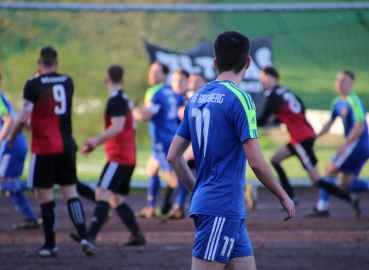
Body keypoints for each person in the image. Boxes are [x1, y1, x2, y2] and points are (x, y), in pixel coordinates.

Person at [167, 30, 295, 270]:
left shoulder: (196, 98)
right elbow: (256, 161)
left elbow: (173, 157)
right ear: (248, 63)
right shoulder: (241, 99)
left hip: (226, 210)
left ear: (215, 63)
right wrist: (283, 195)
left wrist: (198, 190)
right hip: (222, 207)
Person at [8, 46, 94, 257]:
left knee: (44, 195)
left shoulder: (32, 83)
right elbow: (54, 112)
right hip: (65, 145)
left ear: (39, 62)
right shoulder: (67, 81)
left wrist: (11, 136)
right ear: (56, 62)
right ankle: (84, 237)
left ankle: (50, 245)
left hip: (44, 146)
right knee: (70, 193)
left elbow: (23, 117)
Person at [257, 67, 361, 216]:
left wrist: (246, 121)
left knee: (316, 180)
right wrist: (282, 119)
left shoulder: (272, 94)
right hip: (302, 136)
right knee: (275, 159)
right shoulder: (285, 91)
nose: (262, 80)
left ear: (274, 78)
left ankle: (350, 198)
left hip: (300, 139)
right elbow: (300, 107)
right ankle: (292, 196)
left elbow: (262, 119)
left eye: (265, 77)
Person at [77, 65, 145, 248]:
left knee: (102, 193)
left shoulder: (115, 100)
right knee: (116, 199)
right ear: (122, 81)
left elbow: (117, 126)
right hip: (129, 155)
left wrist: (95, 141)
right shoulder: (124, 98)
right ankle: (137, 234)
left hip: (119, 157)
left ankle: (89, 238)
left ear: (106, 80)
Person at [306, 70, 369, 218]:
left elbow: (359, 126)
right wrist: (315, 137)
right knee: (345, 185)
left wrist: (345, 144)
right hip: (359, 146)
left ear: (351, 83)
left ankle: (322, 208)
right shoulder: (337, 103)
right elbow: (330, 123)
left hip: (358, 143)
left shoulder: (353, 100)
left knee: (329, 170)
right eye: (338, 80)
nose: (340, 83)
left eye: (344, 80)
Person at [133, 62, 184, 218]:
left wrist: (133, 111)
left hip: (163, 142)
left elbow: (146, 115)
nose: (152, 74)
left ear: (165, 75)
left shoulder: (155, 92)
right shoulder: (172, 92)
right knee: (151, 169)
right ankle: (151, 207)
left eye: (156, 72)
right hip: (170, 138)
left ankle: (186, 203)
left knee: (175, 182)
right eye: (151, 71)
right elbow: (183, 107)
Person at [0, 73, 39, 230]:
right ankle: (31, 219)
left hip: (11, 147)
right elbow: (17, 120)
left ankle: (38, 184)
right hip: (16, 145)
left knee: (3, 184)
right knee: (10, 186)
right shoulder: (3, 97)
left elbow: (9, 120)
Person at [167, 70, 207, 219]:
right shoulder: (185, 97)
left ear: (204, 83)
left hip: (201, 145)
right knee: (187, 173)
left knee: (189, 173)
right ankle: (177, 205)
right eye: (191, 81)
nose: (193, 84)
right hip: (189, 144)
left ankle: (179, 205)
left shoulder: (201, 98)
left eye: (197, 81)